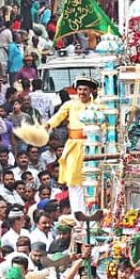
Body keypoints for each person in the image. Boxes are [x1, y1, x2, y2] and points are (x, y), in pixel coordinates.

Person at [44, 77, 97, 213]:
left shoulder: (97, 105)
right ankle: (78, 213)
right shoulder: (70, 104)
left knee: (94, 179)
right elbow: (58, 117)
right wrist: (48, 124)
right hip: (74, 146)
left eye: (85, 89)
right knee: (73, 180)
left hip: (93, 145)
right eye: (80, 89)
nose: (82, 92)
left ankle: (92, 211)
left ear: (91, 90)